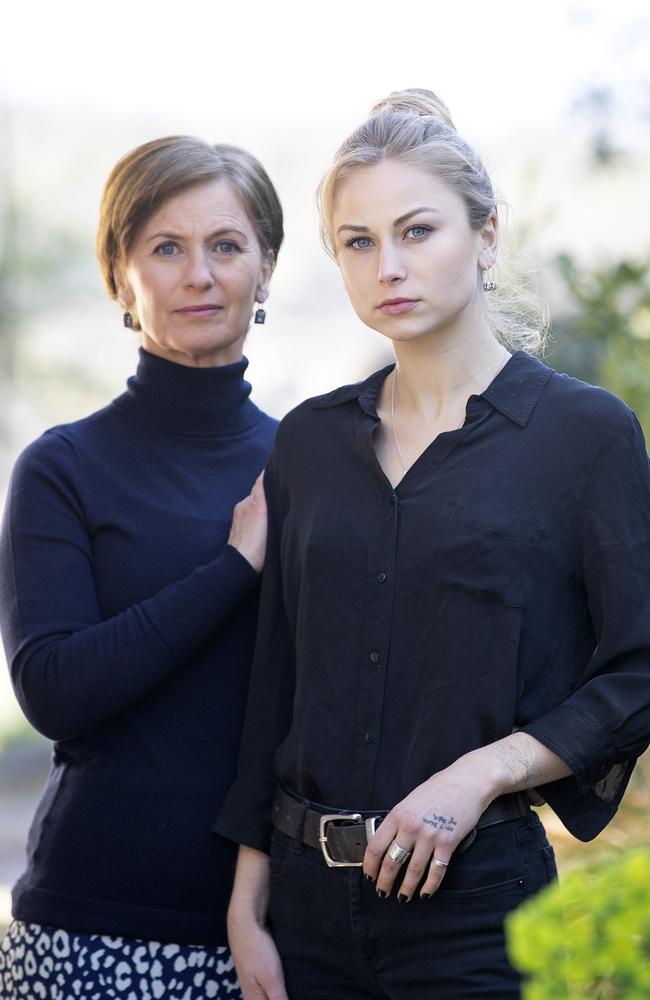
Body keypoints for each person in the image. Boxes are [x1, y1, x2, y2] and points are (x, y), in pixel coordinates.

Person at [215, 90, 650, 999]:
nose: (389, 266)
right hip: (301, 910)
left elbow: (637, 668)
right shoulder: (309, 442)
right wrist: (247, 903)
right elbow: (277, 677)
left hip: (476, 909)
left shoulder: (585, 434)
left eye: (418, 231)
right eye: (358, 242)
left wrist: (486, 769)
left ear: (486, 236)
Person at [0, 135, 283, 1000]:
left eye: (226, 246)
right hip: (91, 927)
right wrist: (234, 567)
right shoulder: (62, 467)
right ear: (121, 277)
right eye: (166, 248)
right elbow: (54, 690)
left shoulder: (307, 464)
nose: (199, 274)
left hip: (275, 932)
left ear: (265, 269)